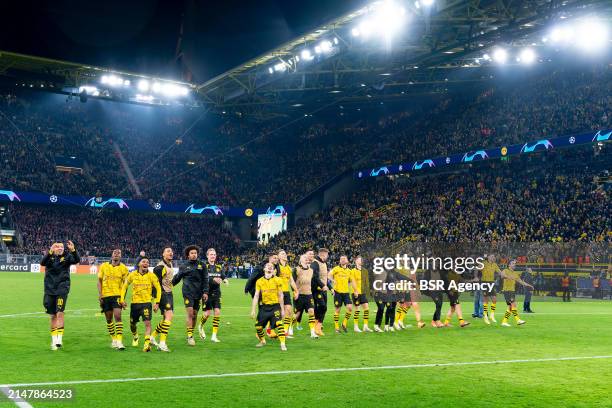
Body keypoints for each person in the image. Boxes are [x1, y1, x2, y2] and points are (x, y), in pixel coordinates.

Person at [41, 240, 80, 350]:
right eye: (57, 247)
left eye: (62, 247)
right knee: (52, 315)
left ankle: (59, 339)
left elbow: (77, 260)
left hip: (62, 289)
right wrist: (49, 251)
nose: (60, 248)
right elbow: (42, 263)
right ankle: (53, 340)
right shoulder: (49, 257)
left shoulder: (67, 257)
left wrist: (73, 250)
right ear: (54, 248)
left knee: (60, 312)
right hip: (49, 290)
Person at [120, 257, 161, 352]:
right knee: (132, 324)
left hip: (146, 303)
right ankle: (135, 336)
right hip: (135, 304)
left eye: (147, 262)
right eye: (144, 261)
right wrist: (122, 299)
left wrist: (157, 302)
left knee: (147, 323)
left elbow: (158, 288)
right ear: (139, 264)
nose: (146, 263)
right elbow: (124, 286)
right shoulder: (132, 275)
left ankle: (146, 345)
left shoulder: (152, 276)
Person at [172, 245, 209, 346]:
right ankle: (190, 337)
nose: (194, 255)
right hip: (188, 292)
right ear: (188, 255)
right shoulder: (184, 266)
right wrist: (170, 285)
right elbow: (177, 277)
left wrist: (205, 292)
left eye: (195, 253)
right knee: (190, 313)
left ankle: (190, 333)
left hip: (198, 293)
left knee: (195, 315)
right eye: (192, 253)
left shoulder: (202, 265)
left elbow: (206, 279)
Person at [97, 248, 129, 350]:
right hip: (106, 296)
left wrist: (122, 298)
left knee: (118, 316)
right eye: (114, 253)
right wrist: (100, 295)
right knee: (109, 319)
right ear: (111, 255)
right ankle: (114, 339)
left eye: (118, 253)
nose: (116, 254)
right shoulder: (104, 266)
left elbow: (125, 285)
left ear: (120, 256)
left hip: (117, 295)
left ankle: (119, 342)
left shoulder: (124, 268)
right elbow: (99, 281)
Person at [251, 263, 287, 351]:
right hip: (264, 307)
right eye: (267, 266)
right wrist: (253, 309)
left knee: (279, 323)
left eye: (272, 267)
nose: (270, 267)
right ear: (264, 269)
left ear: (273, 270)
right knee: (258, 327)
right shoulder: (259, 281)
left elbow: (280, 295)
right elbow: (256, 295)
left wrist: (282, 309)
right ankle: (262, 341)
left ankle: (283, 344)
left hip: (275, 306)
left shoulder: (278, 280)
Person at [149, 247, 175, 352]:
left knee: (166, 319)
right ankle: (162, 343)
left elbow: (169, 280)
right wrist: (156, 301)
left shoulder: (170, 264)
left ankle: (152, 337)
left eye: (171, 251)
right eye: (168, 251)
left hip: (169, 293)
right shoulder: (160, 267)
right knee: (169, 315)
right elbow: (155, 285)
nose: (171, 253)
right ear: (163, 254)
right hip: (163, 294)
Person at [199, 248, 227, 343]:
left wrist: (225, 280)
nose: (213, 256)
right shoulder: (204, 266)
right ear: (207, 256)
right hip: (207, 293)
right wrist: (213, 280)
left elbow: (222, 276)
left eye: (214, 254)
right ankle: (200, 326)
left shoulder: (218, 267)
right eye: (211, 254)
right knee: (207, 314)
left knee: (217, 312)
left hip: (217, 293)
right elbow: (202, 280)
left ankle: (214, 336)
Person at [293, 254, 324, 338]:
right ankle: (289, 327)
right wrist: (295, 292)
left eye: (307, 258)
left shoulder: (311, 270)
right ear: (300, 260)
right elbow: (292, 283)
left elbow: (315, 280)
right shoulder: (296, 269)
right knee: (297, 314)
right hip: (299, 295)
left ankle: (312, 332)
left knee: (311, 311)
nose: (307, 259)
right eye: (304, 258)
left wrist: (321, 286)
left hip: (308, 295)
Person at [500, 260, 534, 327]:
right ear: (509, 265)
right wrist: (507, 277)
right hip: (507, 291)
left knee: (510, 307)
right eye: (513, 263)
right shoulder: (505, 270)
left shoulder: (515, 274)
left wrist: (529, 285)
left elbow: (521, 282)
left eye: (515, 263)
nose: (514, 264)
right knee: (513, 305)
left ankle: (504, 321)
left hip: (512, 291)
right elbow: (502, 275)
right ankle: (518, 320)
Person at [329, 255, 358, 333]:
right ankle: (336, 327)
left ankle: (344, 323)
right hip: (337, 292)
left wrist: (355, 291)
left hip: (346, 293)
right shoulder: (336, 269)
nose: (342, 260)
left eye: (344, 259)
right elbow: (329, 275)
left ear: (347, 261)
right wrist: (332, 280)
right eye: (341, 259)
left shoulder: (349, 271)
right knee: (337, 310)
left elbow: (352, 281)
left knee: (350, 308)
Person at [277, 250, 299, 337]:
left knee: (289, 311)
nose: (285, 255)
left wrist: (296, 291)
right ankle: (269, 329)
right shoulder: (277, 267)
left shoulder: (289, 268)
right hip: (278, 292)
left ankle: (285, 332)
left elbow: (292, 281)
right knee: (277, 312)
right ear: (278, 257)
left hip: (286, 292)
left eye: (285, 254)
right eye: (282, 254)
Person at [311, 248, 330, 336]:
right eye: (327, 254)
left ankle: (317, 327)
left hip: (324, 290)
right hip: (317, 289)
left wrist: (331, 288)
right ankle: (317, 327)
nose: (327, 256)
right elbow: (314, 277)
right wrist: (322, 285)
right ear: (323, 254)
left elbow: (325, 278)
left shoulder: (324, 263)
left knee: (323, 307)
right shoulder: (315, 263)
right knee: (322, 306)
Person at [351, 256, 372, 332]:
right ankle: (355, 327)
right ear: (356, 261)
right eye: (359, 260)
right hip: (356, 293)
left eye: (362, 260)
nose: (361, 261)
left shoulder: (365, 271)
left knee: (366, 309)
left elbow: (366, 282)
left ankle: (365, 326)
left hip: (363, 293)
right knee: (357, 309)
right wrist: (355, 291)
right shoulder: (352, 271)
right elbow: (353, 282)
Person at [479, 254, 501, 324]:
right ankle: (485, 316)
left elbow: (500, 272)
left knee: (494, 300)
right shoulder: (484, 263)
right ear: (488, 257)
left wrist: (506, 275)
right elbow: (478, 268)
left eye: (494, 256)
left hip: (491, 283)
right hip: (484, 282)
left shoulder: (495, 264)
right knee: (486, 300)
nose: (493, 257)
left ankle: (492, 315)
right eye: (492, 256)